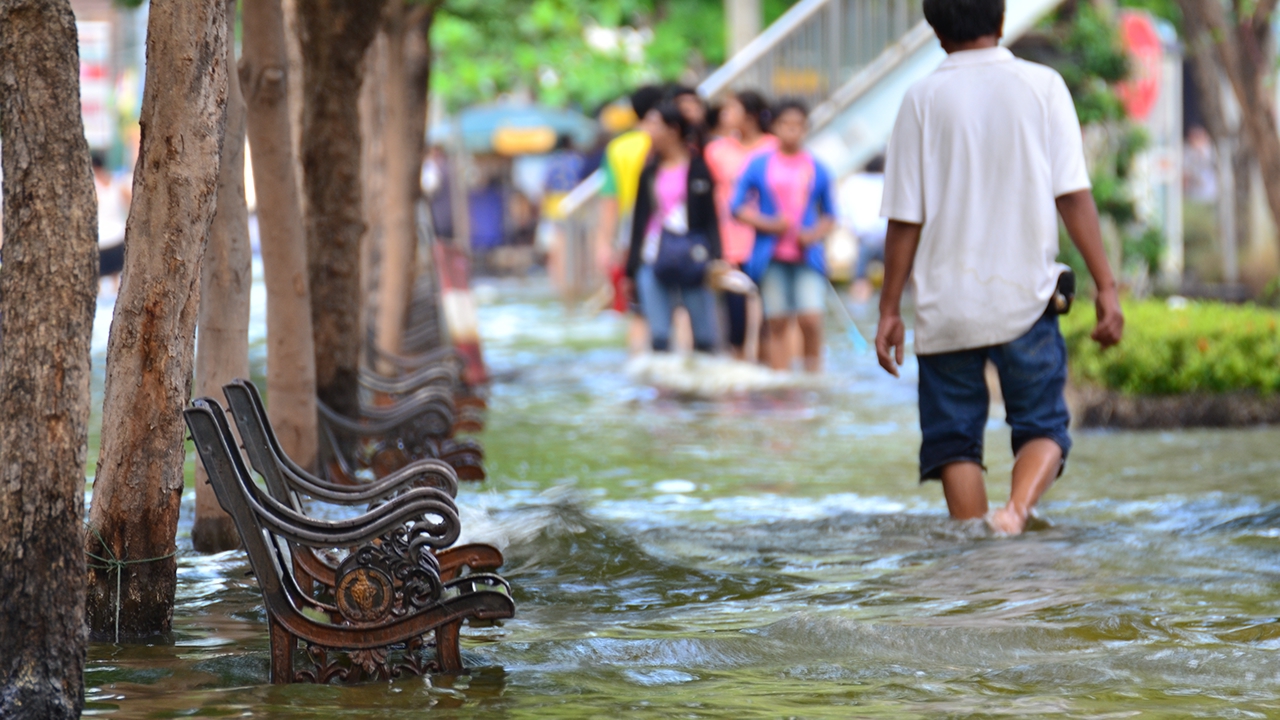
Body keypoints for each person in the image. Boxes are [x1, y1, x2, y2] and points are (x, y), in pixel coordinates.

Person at [875, 0, 1124, 536]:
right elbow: (1073, 195)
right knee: (1043, 427)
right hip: (1026, 298)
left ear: (935, 30)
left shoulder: (919, 98)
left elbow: (903, 219)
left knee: (953, 441)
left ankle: (974, 552)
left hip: (946, 307)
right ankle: (1012, 515)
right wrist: (1107, 286)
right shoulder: (1043, 85)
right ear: (1002, 20)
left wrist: (889, 309)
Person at [732, 100, 836, 372]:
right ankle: (782, 379)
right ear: (775, 128)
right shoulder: (758, 164)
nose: (792, 131)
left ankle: (812, 376)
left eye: (798, 126)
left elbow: (830, 215)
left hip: (806, 256)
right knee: (776, 321)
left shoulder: (818, 167)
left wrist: (813, 234)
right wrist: (768, 224)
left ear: (805, 129)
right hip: (771, 255)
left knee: (811, 319)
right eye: (786, 125)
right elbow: (736, 206)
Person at [625, 102, 721, 353]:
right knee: (658, 336)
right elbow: (640, 219)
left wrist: (717, 255)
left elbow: (710, 216)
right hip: (654, 254)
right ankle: (662, 389)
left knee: (704, 336)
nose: (649, 132)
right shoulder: (649, 172)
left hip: (693, 256)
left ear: (673, 129)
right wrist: (631, 266)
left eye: (655, 125)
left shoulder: (698, 168)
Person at [705, 90, 779, 358]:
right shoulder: (716, 151)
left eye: (731, 110)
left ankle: (768, 368)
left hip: (768, 241)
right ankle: (738, 369)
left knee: (771, 316)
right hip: (729, 243)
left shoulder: (774, 147)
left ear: (749, 114)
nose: (724, 116)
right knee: (735, 314)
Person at [596, 85, 665, 351]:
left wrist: (604, 244)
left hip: (630, 233)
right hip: (666, 232)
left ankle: (638, 371)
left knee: (638, 311)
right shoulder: (669, 142)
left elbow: (609, 202)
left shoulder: (618, 148)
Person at [841, 155, 888, 303]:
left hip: (864, 236)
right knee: (895, 276)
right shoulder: (885, 181)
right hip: (884, 238)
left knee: (860, 276)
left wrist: (852, 229)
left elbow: (844, 211)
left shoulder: (854, 182)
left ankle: (859, 306)